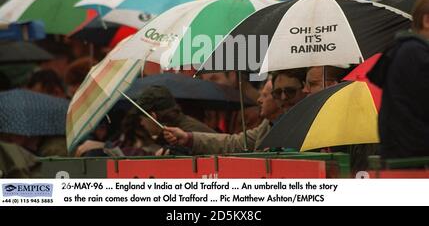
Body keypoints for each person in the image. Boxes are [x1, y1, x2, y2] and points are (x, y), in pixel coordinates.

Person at [162, 69, 307, 154]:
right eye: (277, 93)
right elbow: (233, 143)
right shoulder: (268, 125)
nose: (283, 97)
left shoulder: (315, 121)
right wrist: (189, 138)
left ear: (305, 89)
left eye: (290, 92)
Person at [75, 85, 215, 156]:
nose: (141, 123)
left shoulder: (185, 134)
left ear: (153, 116)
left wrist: (105, 147)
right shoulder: (175, 128)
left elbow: (149, 156)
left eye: (142, 118)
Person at [368, 0, 429, 159]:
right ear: (427, 21)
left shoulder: (406, 50)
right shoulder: (416, 54)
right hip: (412, 151)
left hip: (402, 147)